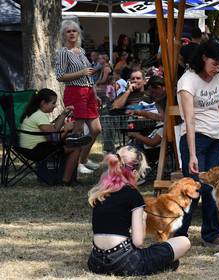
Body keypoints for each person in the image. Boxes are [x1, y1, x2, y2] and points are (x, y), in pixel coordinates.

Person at [87, 145, 190, 276]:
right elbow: (138, 241)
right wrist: (143, 219)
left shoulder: (100, 194)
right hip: (123, 261)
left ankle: (163, 263)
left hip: (95, 261)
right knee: (184, 241)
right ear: (134, 173)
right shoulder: (133, 195)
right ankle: (164, 263)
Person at [174, 38, 219, 247]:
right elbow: (189, 120)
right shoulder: (187, 81)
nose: (218, 69)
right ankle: (179, 234)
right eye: (215, 64)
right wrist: (191, 154)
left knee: (212, 188)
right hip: (195, 137)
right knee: (193, 188)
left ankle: (211, 233)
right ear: (204, 58)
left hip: (216, 137)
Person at [55, 19, 102, 174]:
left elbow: (88, 74)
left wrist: (94, 93)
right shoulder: (63, 52)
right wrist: (81, 73)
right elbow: (60, 76)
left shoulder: (81, 51)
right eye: (68, 31)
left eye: (74, 30)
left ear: (78, 33)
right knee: (78, 131)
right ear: (64, 35)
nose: (72, 33)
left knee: (96, 129)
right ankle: (75, 166)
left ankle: (83, 159)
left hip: (88, 91)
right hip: (74, 91)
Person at [20, 88, 92, 185]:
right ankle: (66, 181)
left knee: (69, 141)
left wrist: (63, 115)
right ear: (43, 103)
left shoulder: (34, 113)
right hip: (36, 150)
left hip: (31, 147)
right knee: (76, 148)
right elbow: (54, 139)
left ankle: (73, 138)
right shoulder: (40, 116)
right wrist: (66, 130)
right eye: (53, 103)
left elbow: (54, 131)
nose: (55, 106)